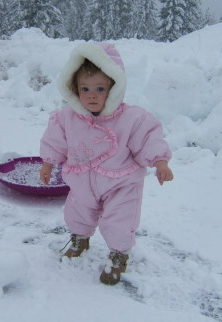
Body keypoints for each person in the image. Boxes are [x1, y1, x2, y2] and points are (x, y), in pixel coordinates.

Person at [39, 42, 173, 285]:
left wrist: (160, 161)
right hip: (81, 181)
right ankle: (80, 238)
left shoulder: (132, 118)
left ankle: (118, 255)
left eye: (100, 89)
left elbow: (148, 139)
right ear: (74, 89)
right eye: (85, 88)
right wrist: (48, 163)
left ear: (113, 88)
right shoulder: (66, 118)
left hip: (121, 182)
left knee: (120, 221)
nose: (92, 95)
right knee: (76, 212)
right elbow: (54, 141)